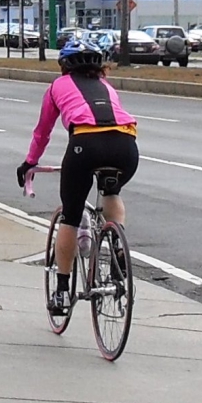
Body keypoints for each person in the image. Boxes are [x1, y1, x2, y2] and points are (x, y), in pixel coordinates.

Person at [16, 38, 139, 314]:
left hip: (85, 146)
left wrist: (30, 163)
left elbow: (42, 132)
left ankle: (61, 291)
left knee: (70, 216)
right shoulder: (108, 88)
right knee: (111, 191)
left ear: (64, 66)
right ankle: (117, 248)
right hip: (126, 145)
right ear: (101, 68)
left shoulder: (57, 87)